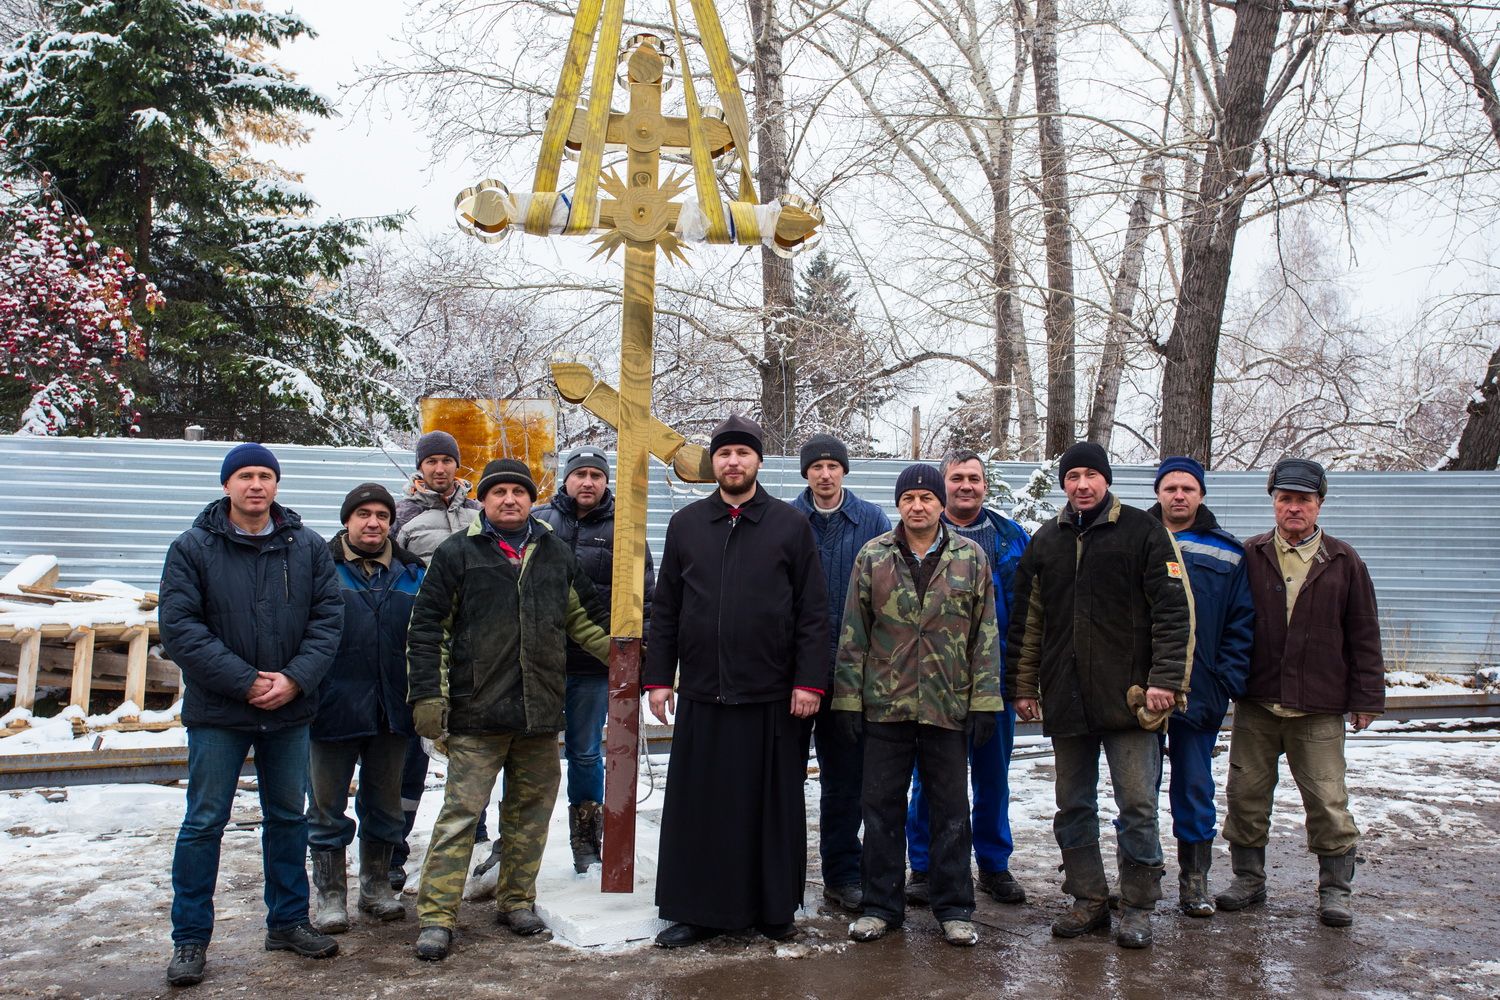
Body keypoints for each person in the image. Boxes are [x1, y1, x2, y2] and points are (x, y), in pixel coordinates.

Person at [405, 458, 611, 960]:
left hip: (539, 711)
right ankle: (437, 916)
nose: (510, 499)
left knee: (530, 816)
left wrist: (634, 664)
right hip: (477, 712)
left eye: (519, 491)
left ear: (530, 499)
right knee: (459, 817)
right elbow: (429, 628)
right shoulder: (458, 552)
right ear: (484, 500)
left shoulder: (555, 553)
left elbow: (586, 621)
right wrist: (429, 697)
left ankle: (516, 900)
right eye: (498, 492)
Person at [158, 443, 344, 987]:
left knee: (288, 818)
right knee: (203, 823)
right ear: (227, 485)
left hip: (289, 709)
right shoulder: (192, 548)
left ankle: (288, 922)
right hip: (219, 712)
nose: (256, 485)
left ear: (277, 485)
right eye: (245, 476)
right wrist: (245, 681)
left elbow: (328, 621)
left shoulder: (307, 548)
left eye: (265, 475)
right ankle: (190, 938)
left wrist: (295, 679)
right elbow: (180, 628)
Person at [644, 414, 831, 948]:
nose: (733, 461)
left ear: (758, 462)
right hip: (704, 691)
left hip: (771, 694)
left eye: (742, 453)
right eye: (724, 453)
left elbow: (812, 612)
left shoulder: (789, 525)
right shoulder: (686, 525)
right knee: (702, 808)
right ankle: (697, 911)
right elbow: (667, 608)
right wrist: (659, 678)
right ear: (714, 462)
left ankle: (772, 908)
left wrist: (809, 681)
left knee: (769, 808)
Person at [1005, 441, 1193, 949]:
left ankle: (1138, 905)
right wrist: (1023, 685)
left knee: (1137, 806)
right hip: (1067, 696)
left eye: (1091, 475)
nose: (1082, 485)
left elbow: (1173, 612)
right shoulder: (1046, 541)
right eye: (1073, 476)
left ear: (1106, 480)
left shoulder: (1143, 532)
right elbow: (1028, 623)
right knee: (1073, 805)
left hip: (1131, 700)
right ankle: (1087, 898)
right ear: (1064, 483)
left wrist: (1165, 680)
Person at [834, 464, 1000, 947]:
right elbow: (853, 633)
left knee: (950, 811)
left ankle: (954, 908)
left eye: (927, 498)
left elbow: (985, 634)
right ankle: (880, 906)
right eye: (909, 498)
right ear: (899, 504)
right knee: (880, 809)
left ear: (940, 504)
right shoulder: (874, 556)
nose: (918, 506)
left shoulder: (970, 557)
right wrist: (847, 700)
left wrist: (985, 700)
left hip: (948, 705)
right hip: (886, 706)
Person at [1215, 458, 1383, 928]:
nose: (1294, 508)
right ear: (1273, 502)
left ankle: (1335, 891)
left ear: (1319, 504)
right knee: (1246, 795)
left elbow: (1364, 633)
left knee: (1328, 801)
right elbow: (1227, 624)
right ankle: (1248, 880)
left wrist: (1367, 697)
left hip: (1318, 707)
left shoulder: (1344, 561)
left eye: (1303, 500)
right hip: (1258, 702)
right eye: (1285, 499)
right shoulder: (1249, 555)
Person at [906, 450, 1030, 907]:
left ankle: (994, 865)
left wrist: (1021, 681)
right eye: (956, 478)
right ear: (943, 486)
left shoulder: (1011, 538)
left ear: (985, 485)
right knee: (928, 780)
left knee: (993, 778)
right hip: (932, 683)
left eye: (974, 478)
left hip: (994, 683)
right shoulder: (921, 536)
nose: (965, 486)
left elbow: (1028, 614)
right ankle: (923, 867)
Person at [306, 483, 426, 934]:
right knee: (326, 808)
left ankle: (375, 888)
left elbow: (429, 635)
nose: (373, 523)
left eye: (382, 515)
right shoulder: (319, 566)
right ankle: (330, 896)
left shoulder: (412, 572)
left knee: (385, 806)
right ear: (347, 520)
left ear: (391, 522)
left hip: (392, 707)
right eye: (363, 514)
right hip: (331, 706)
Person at [532, 446, 656, 873]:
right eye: (580, 474)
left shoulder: (625, 527)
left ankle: (585, 839)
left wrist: (641, 656)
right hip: (539, 662)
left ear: (606, 481)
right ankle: (513, 840)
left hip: (594, 663)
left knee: (585, 752)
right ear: (566, 479)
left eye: (596, 475)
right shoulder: (539, 522)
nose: (588, 482)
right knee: (525, 751)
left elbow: (646, 597)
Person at [788, 433, 891, 912]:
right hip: (793, 674)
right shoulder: (787, 519)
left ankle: (843, 873)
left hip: (852, 676)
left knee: (845, 782)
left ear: (844, 471)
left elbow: (887, 596)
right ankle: (781, 872)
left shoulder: (871, 520)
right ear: (805, 473)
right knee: (781, 778)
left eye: (833, 466)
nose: (825, 474)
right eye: (816, 467)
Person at [1149, 457, 1254, 916]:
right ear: (1157, 493)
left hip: (1200, 689)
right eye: (1170, 488)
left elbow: (1241, 623)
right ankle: (1141, 877)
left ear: (1201, 495)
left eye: (1187, 488)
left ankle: (1194, 882)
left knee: (1194, 786)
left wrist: (1225, 679)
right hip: (1142, 693)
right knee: (1139, 789)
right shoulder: (1137, 538)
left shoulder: (1228, 552)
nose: (1178, 495)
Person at [390, 430, 486, 890]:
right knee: (411, 750)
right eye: (431, 461)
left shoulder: (479, 512)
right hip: (421, 645)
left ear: (456, 465)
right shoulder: (401, 516)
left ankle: (475, 839)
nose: (440, 468)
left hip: (474, 649)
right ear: (421, 467)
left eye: (447, 460)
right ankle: (394, 848)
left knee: (472, 747)